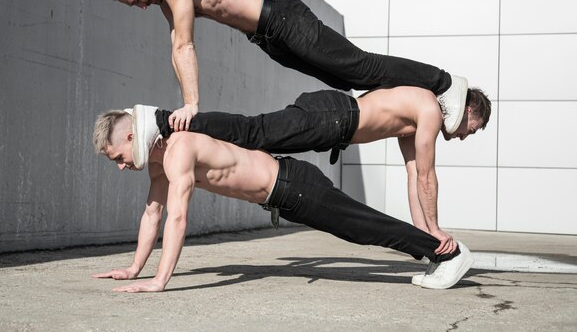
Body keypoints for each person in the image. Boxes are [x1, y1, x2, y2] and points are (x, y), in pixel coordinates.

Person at [91, 110, 474, 292]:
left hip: (294, 186)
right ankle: (437, 252)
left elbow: (176, 220)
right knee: (361, 227)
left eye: (118, 159)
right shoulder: (160, 164)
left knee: (363, 226)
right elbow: (152, 214)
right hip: (287, 193)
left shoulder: (179, 151)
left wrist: (160, 282)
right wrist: (134, 268)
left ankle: (446, 254)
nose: (122, 167)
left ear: (131, 139)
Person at [105, 0, 468, 133]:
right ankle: (422, 98)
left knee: (359, 66)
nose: (140, 7)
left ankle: (444, 83)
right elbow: (175, 46)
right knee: (347, 79)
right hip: (270, 37)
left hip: (282, 19)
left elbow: (185, 45)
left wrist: (191, 104)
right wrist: (185, 103)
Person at [132, 86, 491, 257]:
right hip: (332, 117)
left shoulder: (415, 121)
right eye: (469, 130)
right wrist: (437, 227)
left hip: (332, 122)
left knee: (252, 139)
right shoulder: (428, 110)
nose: (462, 137)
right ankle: (162, 120)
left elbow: (415, 178)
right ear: (467, 111)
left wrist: (429, 232)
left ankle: (429, 251)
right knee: (254, 131)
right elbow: (428, 176)